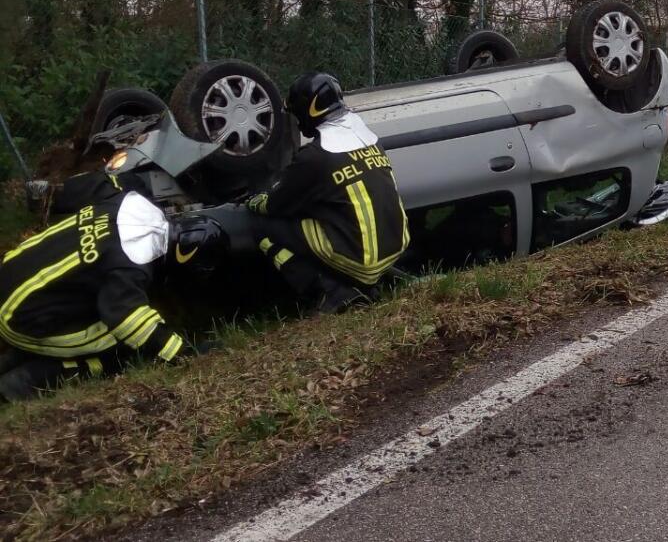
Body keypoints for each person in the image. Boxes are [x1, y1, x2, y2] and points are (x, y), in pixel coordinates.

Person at [0, 172, 227, 401]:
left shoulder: (125, 203)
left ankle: (18, 357)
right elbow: (128, 318)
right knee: (122, 343)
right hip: (19, 318)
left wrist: (55, 193)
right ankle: (26, 382)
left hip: (10, 274)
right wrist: (182, 354)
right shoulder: (132, 263)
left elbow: (101, 182)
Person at [246, 72, 409, 312]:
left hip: (360, 258)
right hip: (396, 244)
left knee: (263, 225)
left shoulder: (315, 157)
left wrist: (254, 201)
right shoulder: (370, 140)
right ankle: (366, 280)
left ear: (307, 110)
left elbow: (278, 204)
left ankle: (330, 293)